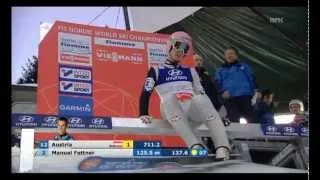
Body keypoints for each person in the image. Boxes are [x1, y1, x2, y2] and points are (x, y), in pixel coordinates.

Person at [139, 31, 231, 161]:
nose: (180, 51)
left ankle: (223, 148)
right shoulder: (156, 70)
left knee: (201, 98)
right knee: (169, 98)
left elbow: (201, 93)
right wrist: (143, 112)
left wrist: (216, 114)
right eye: (178, 45)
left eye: (185, 48)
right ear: (170, 45)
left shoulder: (190, 70)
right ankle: (195, 146)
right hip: (171, 109)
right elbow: (146, 91)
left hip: (191, 109)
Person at [215, 47, 258, 123]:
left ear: (236, 55)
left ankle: (253, 135)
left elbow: (252, 79)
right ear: (225, 57)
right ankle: (236, 135)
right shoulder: (220, 70)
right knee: (233, 120)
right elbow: (217, 83)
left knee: (251, 119)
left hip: (245, 96)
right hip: (229, 98)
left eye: (231, 53)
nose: (229, 55)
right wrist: (223, 91)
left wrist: (257, 91)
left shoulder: (245, 66)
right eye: (227, 54)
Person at [194, 53, 230, 126]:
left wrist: (218, 101)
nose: (199, 62)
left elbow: (214, 89)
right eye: (196, 60)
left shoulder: (207, 76)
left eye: (201, 60)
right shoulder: (187, 75)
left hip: (211, 107)